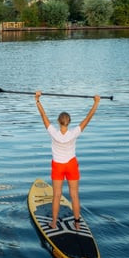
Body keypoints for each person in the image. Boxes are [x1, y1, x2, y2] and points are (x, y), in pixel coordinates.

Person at [35, 91, 100, 229]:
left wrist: (37, 100)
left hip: (58, 166)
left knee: (57, 195)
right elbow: (88, 118)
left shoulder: (53, 132)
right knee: (74, 195)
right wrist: (96, 103)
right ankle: (77, 223)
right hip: (71, 165)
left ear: (59, 122)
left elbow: (43, 115)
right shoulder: (74, 133)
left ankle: (53, 223)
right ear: (69, 122)